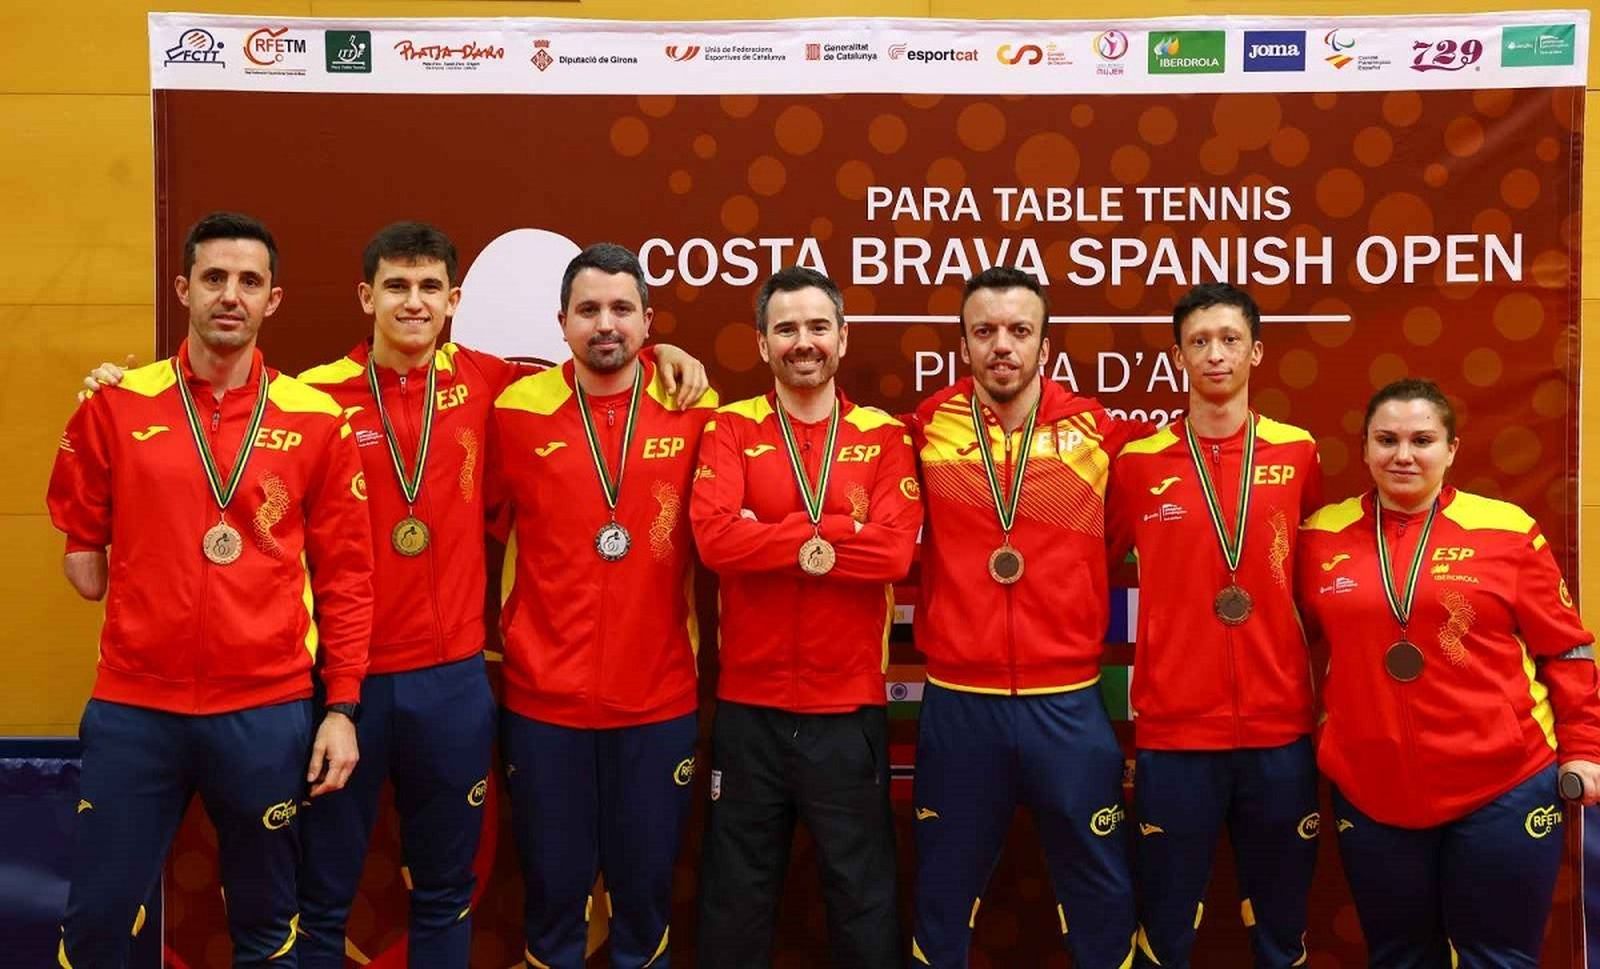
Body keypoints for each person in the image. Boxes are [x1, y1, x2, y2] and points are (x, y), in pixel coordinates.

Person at [79, 223, 708, 968]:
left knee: (446, 890)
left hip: (452, 681)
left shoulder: (494, 388)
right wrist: (111, 386)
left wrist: (665, 354)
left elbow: (596, 378)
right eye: (398, 286)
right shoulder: (308, 400)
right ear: (366, 295)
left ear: (454, 301)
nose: (414, 303)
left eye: (429, 288)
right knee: (322, 893)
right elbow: (206, 419)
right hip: (344, 684)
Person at [47, 211, 373, 968]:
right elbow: (84, 572)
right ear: (184, 287)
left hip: (265, 710)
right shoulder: (116, 406)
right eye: (216, 278)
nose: (232, 294)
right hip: (136, 710)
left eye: (250, 281)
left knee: (266, 930)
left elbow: (348, 577)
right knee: (95, 926)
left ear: (273, 300)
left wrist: (344, 707)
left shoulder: (316, 419)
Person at [1297, 377, 1600, 968]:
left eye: (1422, 439)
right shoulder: (1317, 536)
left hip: (1502, 785)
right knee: (1400, 959)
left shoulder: (1507, 530)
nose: (1403, 455)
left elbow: (1567, 651)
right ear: (1363, 449)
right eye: (1386, 439)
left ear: (1452, 449)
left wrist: (1584, 748)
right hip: (1372, 789)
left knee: (1499, 959)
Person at [490, 242, 716, 968]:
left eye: (623, 308)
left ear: (650, 321)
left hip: (655, 700)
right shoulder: (514, 411)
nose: (606, 324)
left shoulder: (695, 408)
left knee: (645, 900)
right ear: (561, 322)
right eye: (588, 310)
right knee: (552, 898)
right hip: (542, 702)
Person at [907, 266, 1139, 969]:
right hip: (959, 703)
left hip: (1066, 702)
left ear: (1045, 343)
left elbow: (1117, 539)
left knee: (1100, 890)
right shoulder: (923, 430)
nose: (1001, 345)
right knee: (942, 894)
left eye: (1018, 330)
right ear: (963, 343)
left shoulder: (1099, 435)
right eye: (985, 331)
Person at [691, 266, 921, 968]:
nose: (804, 342)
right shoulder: (731, 427)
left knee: (864, 901)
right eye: (786, 328)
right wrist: (828, 534)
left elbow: (894, 553)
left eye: (818, 326)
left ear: (843, 338)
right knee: (735, 903)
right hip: (748, 710)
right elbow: (713, 538)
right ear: (762, 344)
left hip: (847, 711)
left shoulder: (882, 436)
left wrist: (776, 531)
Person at [1107, 283, 1322, 968]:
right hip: (1175, 730)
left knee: (1282, 928)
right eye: (1198, 341)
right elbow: (1093, 561)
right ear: (1177, 356)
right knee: (1165, 928)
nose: (1215, 353)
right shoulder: (1138, 463)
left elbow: (1313, 572)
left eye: (1230, 339)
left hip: (1280, 729)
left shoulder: (1298, 453)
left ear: (1256, 351)